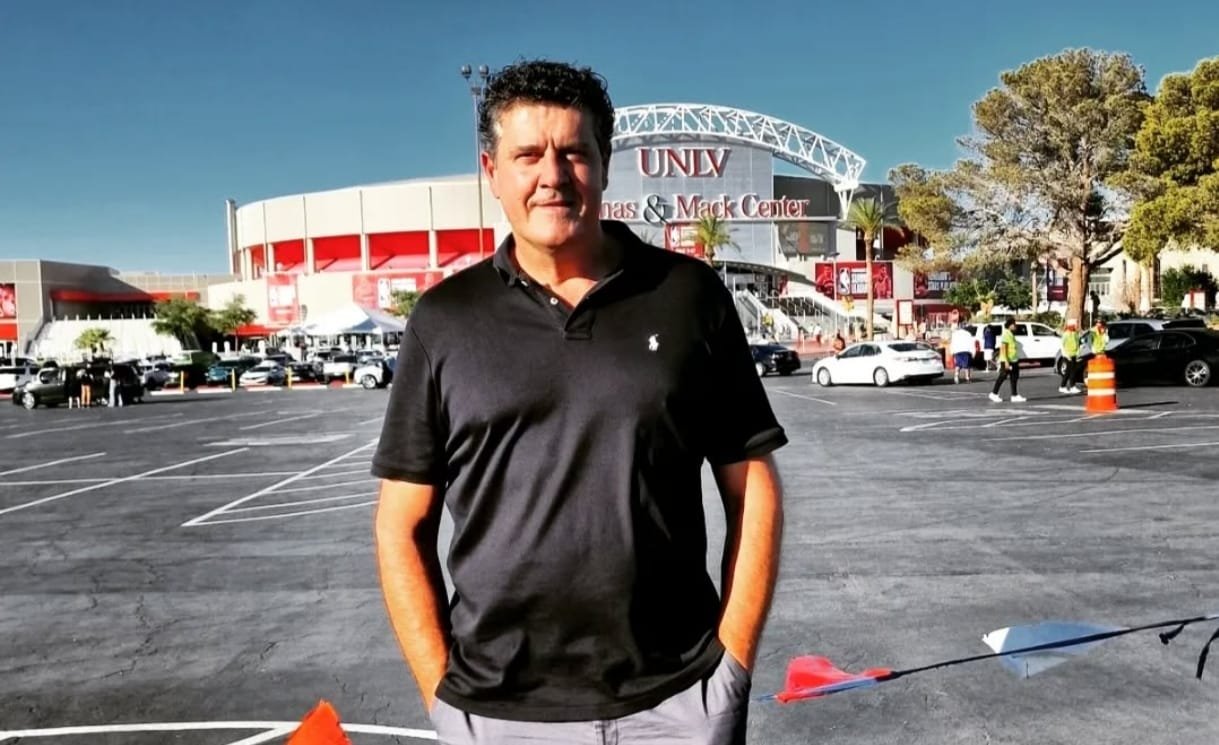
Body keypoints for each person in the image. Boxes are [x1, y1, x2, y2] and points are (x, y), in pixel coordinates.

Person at [372, 60, 786, 745]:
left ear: (604, 161)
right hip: (497, 712)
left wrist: (731, 666)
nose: (552, 176)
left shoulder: (688, 296)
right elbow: (400, 522)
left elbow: (752, 486)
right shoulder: (444, 319)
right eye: (527, 154)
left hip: (678, 699)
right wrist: (441, 694)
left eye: (574, 152)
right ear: (492, 170)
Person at [989, 318, 1026, 403]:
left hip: (1013, 359)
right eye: (1014, 324)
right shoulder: (1006, 334)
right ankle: (994, 393)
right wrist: (1006, 361)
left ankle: (1014, 395)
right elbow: (1003, 348)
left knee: (1014, 377)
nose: (1015, 326)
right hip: (1007, 360)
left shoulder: (1010, 334)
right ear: (1010, 325)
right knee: (1002, 376)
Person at [1059, 319, 1083, 394]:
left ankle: (1070, 386)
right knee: (1069, 371)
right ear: (1071, 325)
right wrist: (1065, 355)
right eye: (1075, 324)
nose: (1076, 326)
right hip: (1067, 355)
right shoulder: (1066, 334)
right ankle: (1064, 386)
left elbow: (1078, 344)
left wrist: (1079, 353)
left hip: (1074, 355)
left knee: (1073, 371)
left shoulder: (1075, 334)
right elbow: (1062, 345)